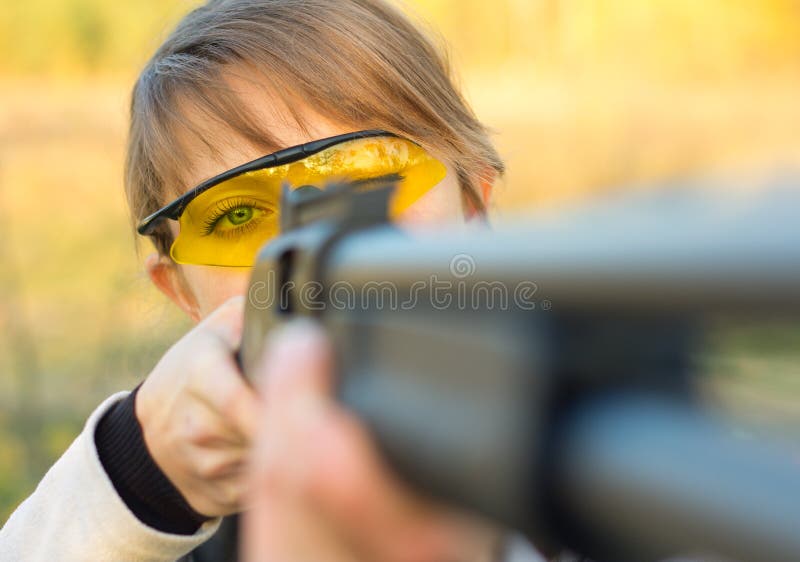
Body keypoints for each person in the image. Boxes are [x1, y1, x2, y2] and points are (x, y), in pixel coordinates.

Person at [0, 0, 542, 560]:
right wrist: (142, 474)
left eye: (372, 178)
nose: (321, 243)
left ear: (472, 205)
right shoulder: (177, 524)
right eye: (236, 215)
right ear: (180, 289)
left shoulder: (604, 436)